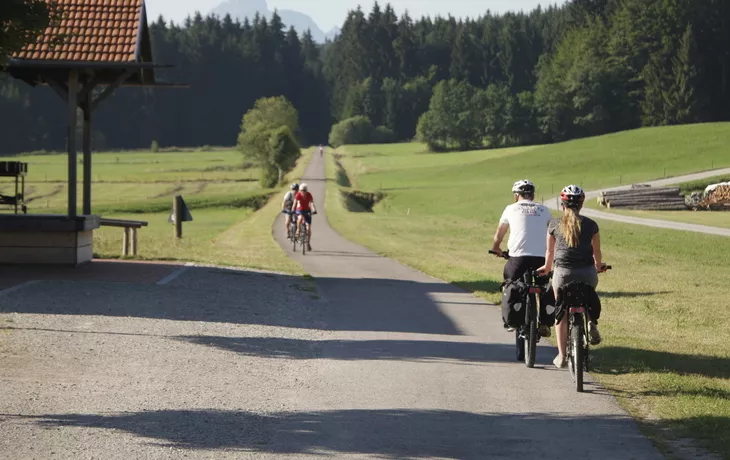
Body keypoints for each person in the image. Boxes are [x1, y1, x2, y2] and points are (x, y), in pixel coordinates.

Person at [537, 185, 606, 369]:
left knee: (562, 311)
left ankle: (561, 355)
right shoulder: (591, 225)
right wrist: (599, 266)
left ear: (563, 205)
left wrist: (546, 267)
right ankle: (591, 321)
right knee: (588, 295)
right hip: (587, 273)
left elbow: (550, 252)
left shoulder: (553, 224)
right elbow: (596, 251)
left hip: (563, 274)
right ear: (581, 205)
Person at [491, 180, 552, 334]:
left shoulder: (510, 209)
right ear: (532, 195)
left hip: (518, 258)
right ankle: (544, 322)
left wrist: (496, 248)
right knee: (544, 287)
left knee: (510, 283)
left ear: (516, 195)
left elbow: (500, 233)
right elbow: (552, 234)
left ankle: (511, 321)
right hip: (541, 258)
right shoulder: (544, 210)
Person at [292, 183, 317, 251]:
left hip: (307, 211)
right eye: (301, 190)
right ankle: (298, 230)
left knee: (308, 228)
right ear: (300, 190)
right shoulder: (298, 195)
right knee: (300, 218)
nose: (303, 192)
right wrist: (292, 210)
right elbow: (294, 203)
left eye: (304, 190)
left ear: (306, 190)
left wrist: (314, 210)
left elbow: (311, 203)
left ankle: (308, 243)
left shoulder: (309, 195)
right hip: (299, 210)